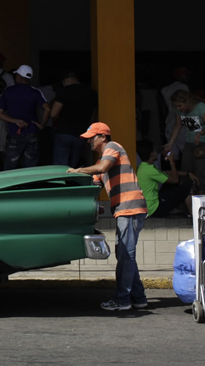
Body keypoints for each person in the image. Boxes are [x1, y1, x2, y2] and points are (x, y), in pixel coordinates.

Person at [69, 122, 148, 312]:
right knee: (125, 254)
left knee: (126, 255)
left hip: (130, 207)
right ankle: (138, 298)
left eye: (91, 138)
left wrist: (77, 170)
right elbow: (92, 183)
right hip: (125, 208)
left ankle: (122, 300)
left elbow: (103, 168)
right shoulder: (99, 162)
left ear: (103, 137)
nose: (88, 142)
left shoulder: (113, 148)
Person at [0, 65, 49, 170]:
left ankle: (11, 186)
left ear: (19, 76)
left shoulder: (8, 91)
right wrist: (42, 124)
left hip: (14, 132)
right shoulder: (35, 91)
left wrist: (15, 121)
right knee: (30, 168)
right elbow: (47, 109)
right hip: (32, 131)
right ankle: (30, 186)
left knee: (11, 167)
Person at [163, 90, 205, 191]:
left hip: (204, 143)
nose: (178, 108)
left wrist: (201, 133)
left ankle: (202, 196)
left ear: (186, 101)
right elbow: (177, 126)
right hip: (189, 142)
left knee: (201, 172)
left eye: (179, 105)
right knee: (186, 170)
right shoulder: (179, 111)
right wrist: (170, 143)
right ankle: (188, 197)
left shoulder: (200, 107)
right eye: (176, 106)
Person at [135, 139, 195, 218]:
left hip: (147, 207)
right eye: (155, 150)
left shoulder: (143, 167)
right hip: (154, 209)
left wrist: (187, 173)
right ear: (151, 154)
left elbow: (163, 173)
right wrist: (172, 161)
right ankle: (194, 217)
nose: (157, 153)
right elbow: (175, 180)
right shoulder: (150, 169)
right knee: (187, 188)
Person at [49, 71, 97, 167]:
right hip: (81, 135)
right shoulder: (92, 93)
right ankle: (71, 182)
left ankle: (61, 182)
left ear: (67, 79)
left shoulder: (64, 91)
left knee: (60, 167)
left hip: (64, 133)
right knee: (74, 167)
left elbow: (53, 114)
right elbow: (93, 117)